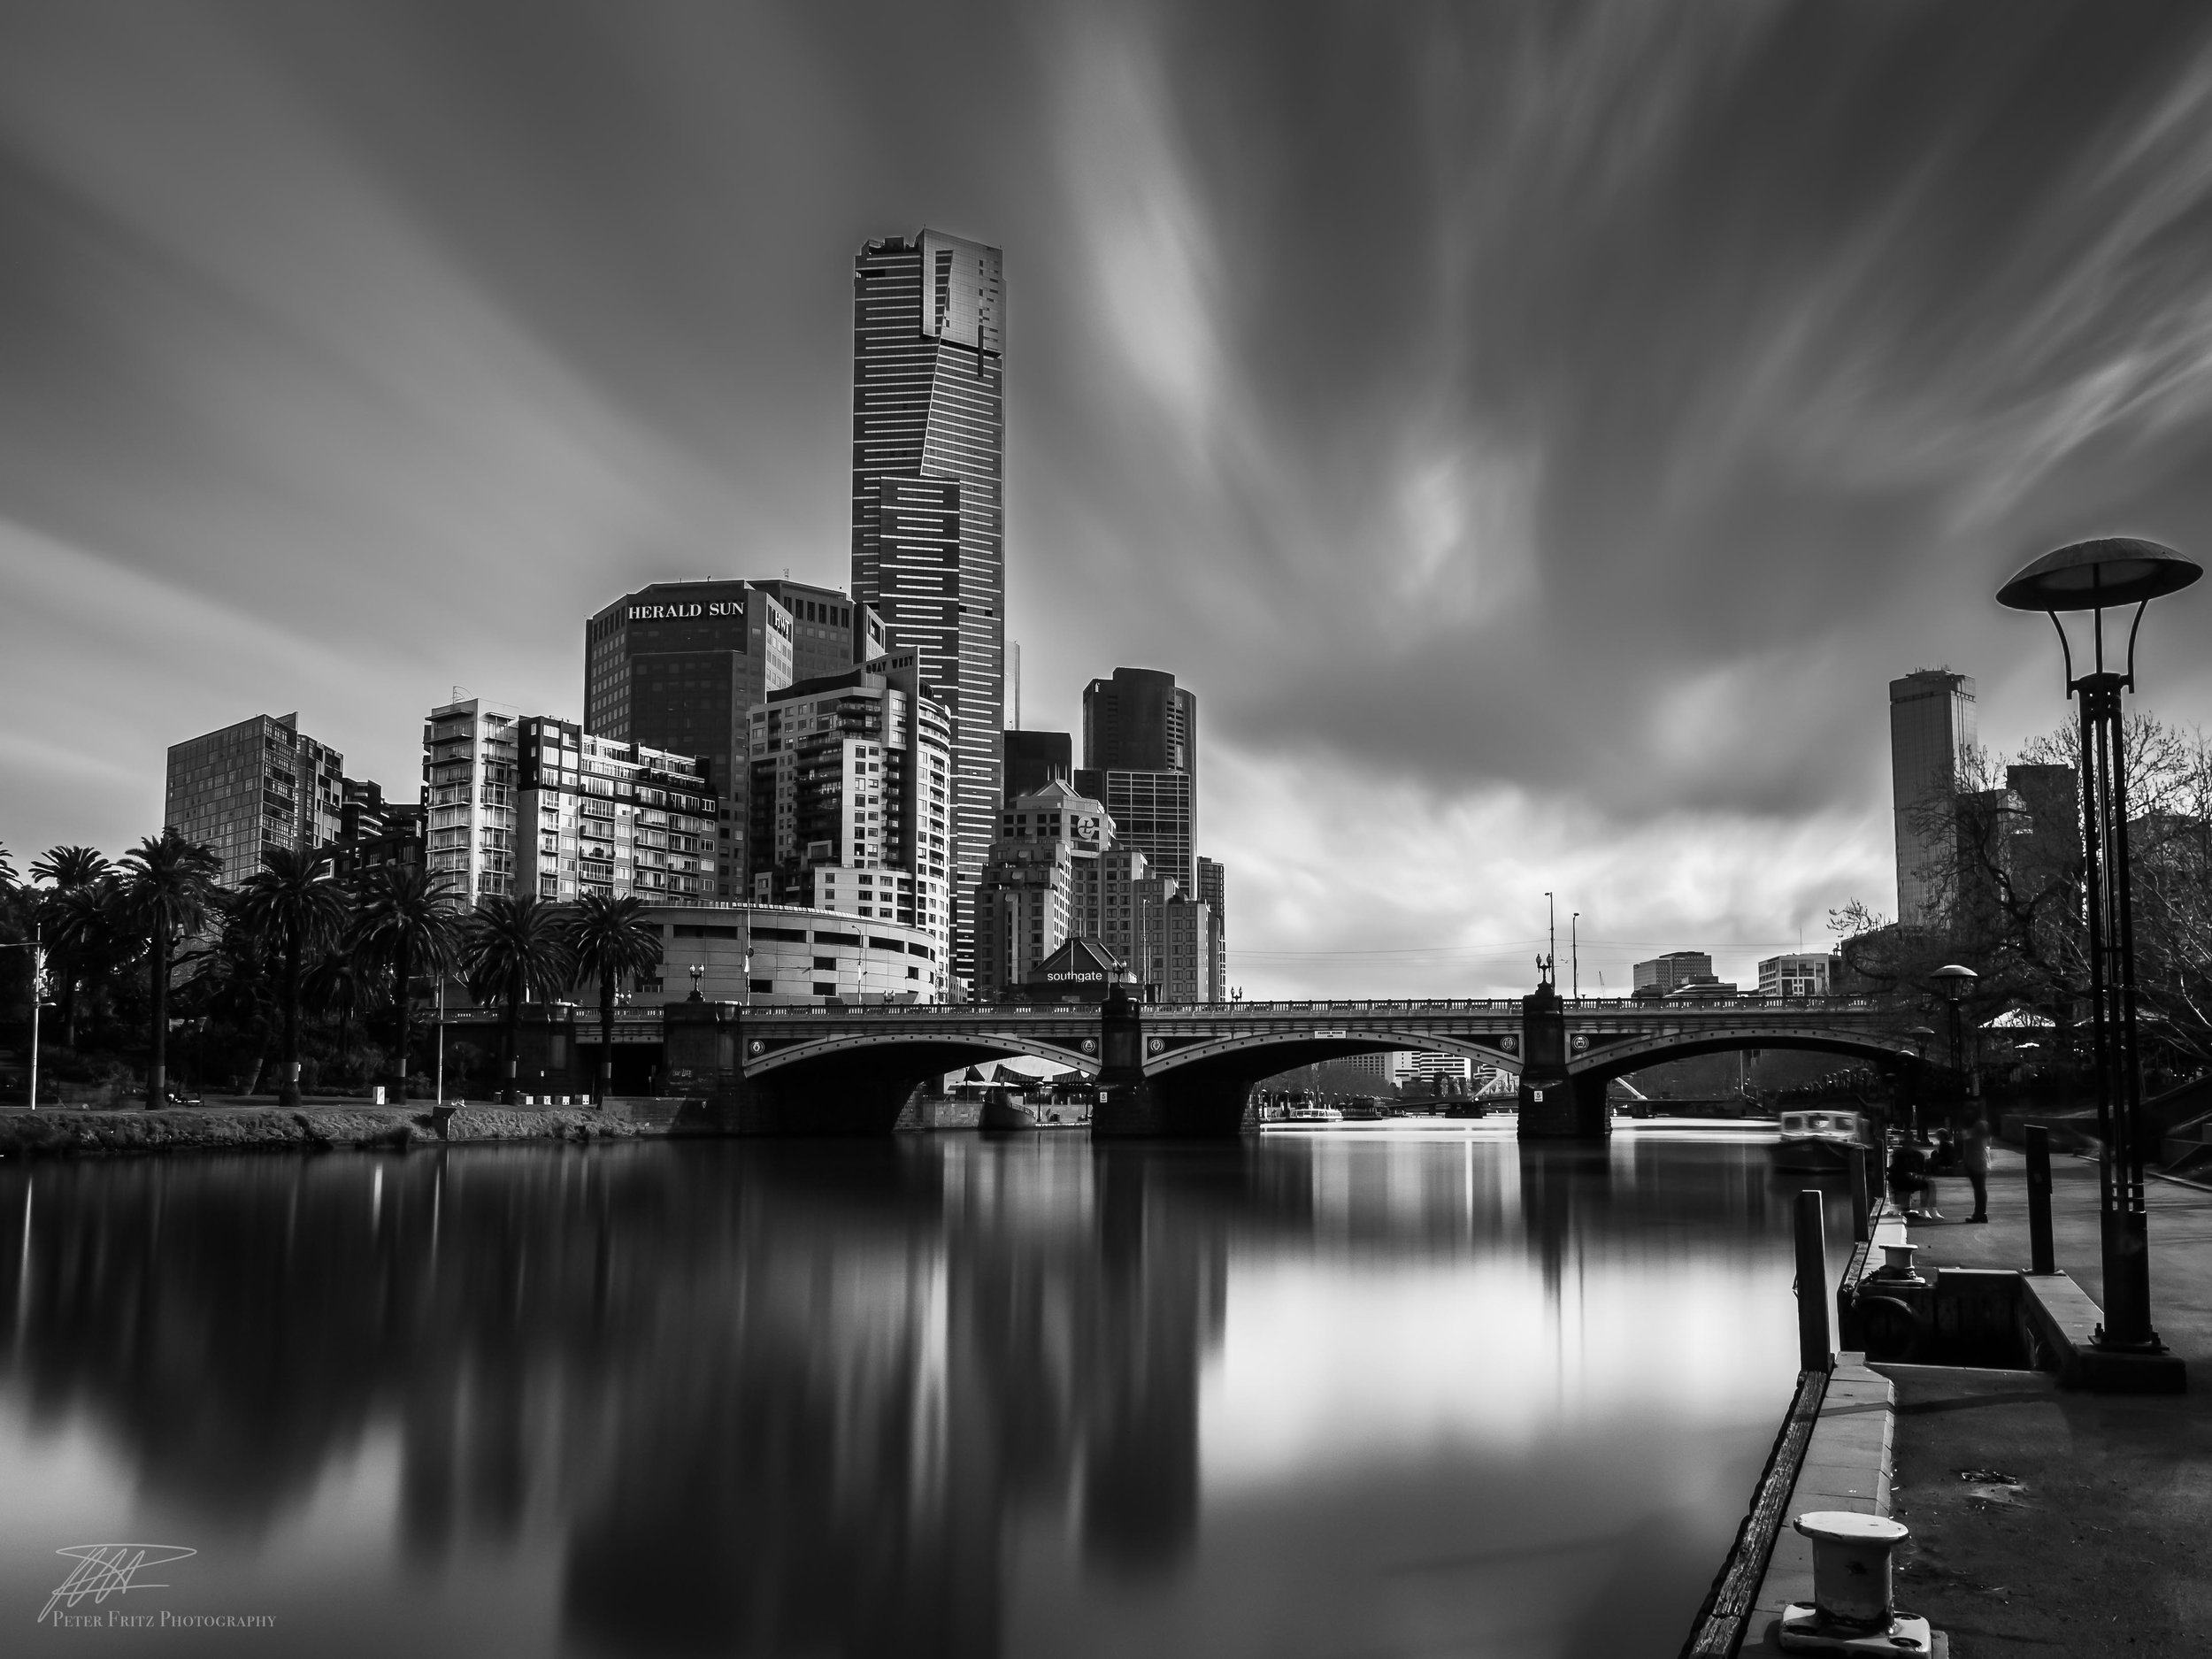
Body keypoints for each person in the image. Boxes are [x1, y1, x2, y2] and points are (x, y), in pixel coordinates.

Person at [1888, 1136, 1930, 1218]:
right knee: (1926, 1185)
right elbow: (1920, 1171)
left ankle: (1899, 1208)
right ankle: (1923, 1210)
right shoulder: (1918, 1155)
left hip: (1898, 1180)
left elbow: (1893, 1169)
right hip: (1902, 1180)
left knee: (1924, 1184)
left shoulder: (1898, 1153)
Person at [1962, 1117, 1991, 1223]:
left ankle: (1979, 1214)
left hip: (1974, 1164)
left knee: (1979, 1190)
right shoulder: (1983, 1137)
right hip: (1982, 1163)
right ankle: (1981, 1214)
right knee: (1981, 1189)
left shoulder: (1973, 1137)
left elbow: (1967, 1147)